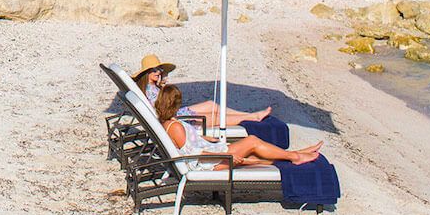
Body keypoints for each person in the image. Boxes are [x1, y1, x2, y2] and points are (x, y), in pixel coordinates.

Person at [155, 84, 321, 167]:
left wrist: (203, 137)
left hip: (212, 155)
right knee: (252, 141)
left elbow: (187, 144)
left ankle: (294, 154)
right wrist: (224, 156)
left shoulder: (170, 123)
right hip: (210, 163)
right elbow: (193, 152)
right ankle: (295, 157)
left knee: (257, 155)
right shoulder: (174, 126)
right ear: (175, 104)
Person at [132, 53, 270, 129]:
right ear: (146, 73)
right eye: (154, 70)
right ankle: (251, 117)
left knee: (211, 105)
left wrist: (161, 85)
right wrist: (164, 88)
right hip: (176, 119)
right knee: (215, 117)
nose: (157, 72)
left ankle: (248, 114)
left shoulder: (150, 87)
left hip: (178, 114)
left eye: (159, 69)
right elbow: (165, 107)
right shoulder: (150, 90)